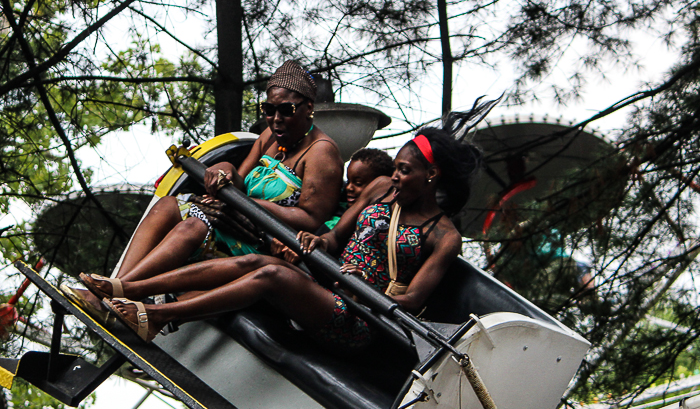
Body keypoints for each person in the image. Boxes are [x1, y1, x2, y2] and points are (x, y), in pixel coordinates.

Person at [82, 111, 484, 351]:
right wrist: (316, 241)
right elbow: (333, 238)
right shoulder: (382, 191)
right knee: (258, 260)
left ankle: (154, 314)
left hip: (361, 317)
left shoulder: (445, 237)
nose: (394, 176)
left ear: (432, 175)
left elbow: (411, 301)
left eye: (405, 171)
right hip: (327, 285)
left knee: (270, 275)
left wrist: (369, 287)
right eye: (395, 167)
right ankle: (127, 290)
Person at [64, 60, 343, 320]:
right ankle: (112, 291)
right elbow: (239, 178)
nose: (276, 118)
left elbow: (310, 219)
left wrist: (248, 205)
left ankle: (116, 294)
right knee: (167, 206)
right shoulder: (270, 136)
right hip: (233, 220)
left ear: (308, 108)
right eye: (269, 110)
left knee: (192, 229)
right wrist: (221, 172)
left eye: (286, 110)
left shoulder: (322, 153)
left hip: (264, 240)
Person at [272, 147, 395, 262]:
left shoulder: (369, 221)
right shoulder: (337, 203)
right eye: (349, 181)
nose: (349, 188)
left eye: (358, 183)